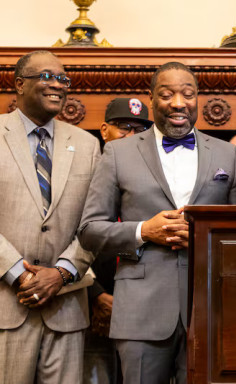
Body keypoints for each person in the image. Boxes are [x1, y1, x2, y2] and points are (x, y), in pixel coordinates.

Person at [78, 62, 236, 384]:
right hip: (140, 311)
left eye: (188, 94)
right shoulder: (117, 153)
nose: (178, 103)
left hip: (211, 310)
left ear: (198, 99)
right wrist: (145, 231)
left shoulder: (228, 155)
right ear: (152, 100)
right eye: (167, 94)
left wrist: (202, 236)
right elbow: (89, 230)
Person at [0, 50, 100, 383]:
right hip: (6, 305)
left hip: (66, 309)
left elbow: (94, 221)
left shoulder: (87, 145)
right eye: (46, 76)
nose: (57, 84)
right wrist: (20, 274)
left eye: (63, 79)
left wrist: (61, 272)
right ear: (18, 84)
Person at [84, 97, 153, 384]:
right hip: (86, 301)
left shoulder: (152, 176)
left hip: (142, 304)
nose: (132, 137)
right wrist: (96, 295)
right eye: (124, 127)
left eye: (140, 131)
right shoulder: (85, 172)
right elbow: (73, 233)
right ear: (104, 130)